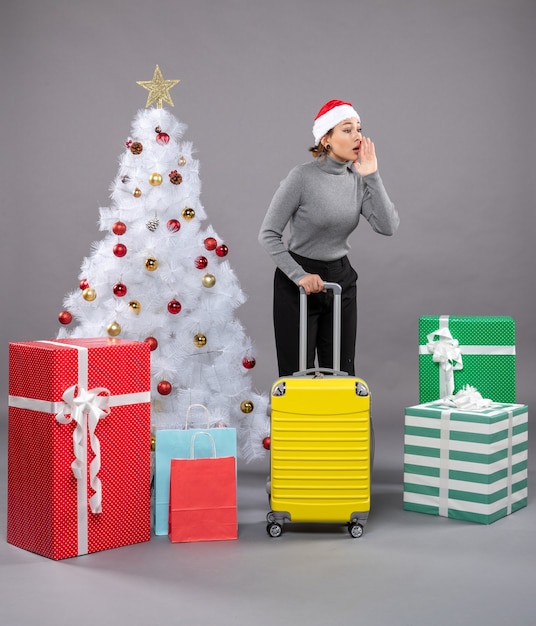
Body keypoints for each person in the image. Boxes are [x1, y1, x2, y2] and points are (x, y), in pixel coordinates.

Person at [258, 99, 399, 377]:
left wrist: (372, 175)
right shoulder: (301, 177)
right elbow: (268, 234)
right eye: (347, 130)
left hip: (341, 279)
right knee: (296, 374)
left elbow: (388, 226)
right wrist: (299, 275)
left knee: (341, 372)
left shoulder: (358, 179)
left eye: (359, 128)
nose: (357, 136)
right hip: (298, 283)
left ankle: (337, 421)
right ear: (326, 139)